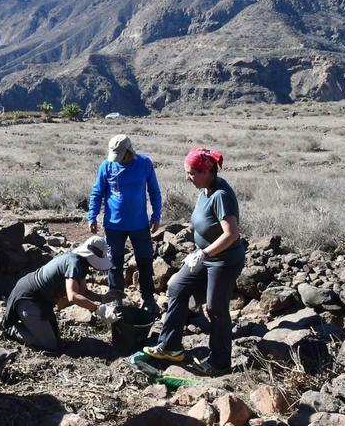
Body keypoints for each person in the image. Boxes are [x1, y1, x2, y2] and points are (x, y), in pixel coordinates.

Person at [143, 148, 245, 377]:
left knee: (216, 309)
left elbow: (231, 234)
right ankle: (171, 347)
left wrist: (204, 253)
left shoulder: (221, 195)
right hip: (205, 255)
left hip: (224, 260)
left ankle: (220, 363)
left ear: (206, 171)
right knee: (176, 286)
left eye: (191, 173)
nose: (187, 177)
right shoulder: (204, 190)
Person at [88, 134, 162, 314]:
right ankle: (116, 301)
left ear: (129, 152)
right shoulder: (106, 166)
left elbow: (154, 191)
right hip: (114, 226)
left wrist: (156, 216)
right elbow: (97, 193)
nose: (119, 160)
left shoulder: (144, 164)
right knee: (114, 263)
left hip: (139, 225)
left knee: (145, 261)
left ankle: (148, 299)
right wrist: (92, 216)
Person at [1, 236, 111, 353]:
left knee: (56, 339)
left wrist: (102, 298)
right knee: (50, 345)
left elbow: (83, 292)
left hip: (41, 301)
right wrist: (98, 309)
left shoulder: (80, 263)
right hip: (29, 298)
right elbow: (73, 296)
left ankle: (28, 323)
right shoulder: (74, 263)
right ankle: (11, 328)